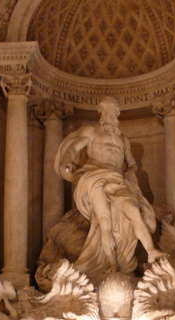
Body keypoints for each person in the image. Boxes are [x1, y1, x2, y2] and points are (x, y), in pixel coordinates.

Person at [54, 97, 164, 284]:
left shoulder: (123, 140)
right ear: (100, 112)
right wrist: (66, 162)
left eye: (113, 110)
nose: (110, 113)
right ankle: (112, 265)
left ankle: (151, 250)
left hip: (117, 180)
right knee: (104, 221)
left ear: (117, 114)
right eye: (106, 110)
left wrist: (130, 174)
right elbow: (74, 148)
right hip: (94, 176)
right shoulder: (91, 131)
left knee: (132, 209)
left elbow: (131, 164)